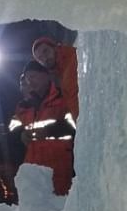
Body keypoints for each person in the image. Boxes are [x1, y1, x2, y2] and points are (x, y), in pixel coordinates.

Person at [9, 61, 76, 195]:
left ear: (46, 76)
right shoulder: (23, 107)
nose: (30, 81)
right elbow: (12, 132)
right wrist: (20, 134)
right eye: (27, 78)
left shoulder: (63, 100)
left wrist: (49, 131)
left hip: (63, 172)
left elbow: (75, 125)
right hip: (35, 176)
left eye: (33, 76)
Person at [32, 36, 79, 121]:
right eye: (40, 58)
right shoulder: (57, 77)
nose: (45, 58)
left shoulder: (72, 58)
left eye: (45, 51)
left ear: (53, 47)